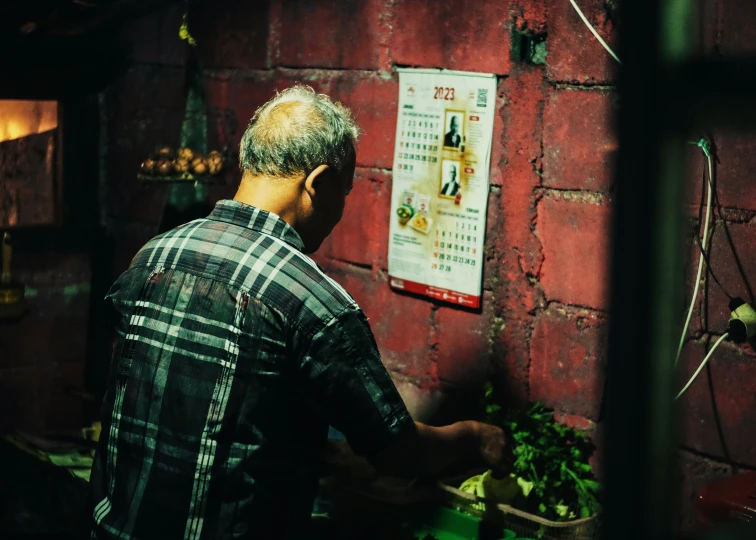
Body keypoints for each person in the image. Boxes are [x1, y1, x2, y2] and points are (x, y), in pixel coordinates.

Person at [90, 85, 511, 540]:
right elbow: (397, 454)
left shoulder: (153, 256)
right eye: (344, 194)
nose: (338, 213)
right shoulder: (315, 303)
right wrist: (473, 436)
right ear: (318, 182)